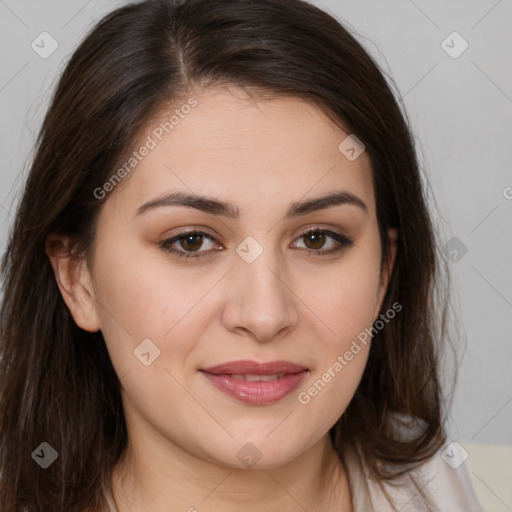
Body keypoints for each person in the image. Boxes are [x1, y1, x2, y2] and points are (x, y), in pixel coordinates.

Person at [0, 0, 484, 510]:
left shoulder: (438, 483)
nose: (264, 314)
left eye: (317, 239)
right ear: (78, 279)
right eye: (191, 241)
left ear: (383, 271)